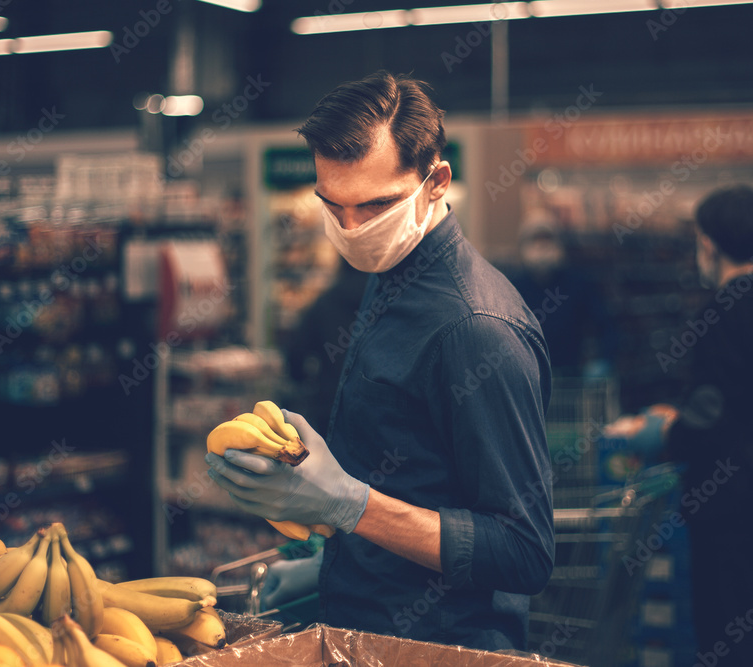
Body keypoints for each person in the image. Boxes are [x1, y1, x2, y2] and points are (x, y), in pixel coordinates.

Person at [206, 71, 555, 651]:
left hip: (438, 650)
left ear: (437, 181)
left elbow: (524, 551)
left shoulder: (477, 330)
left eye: (376, 206)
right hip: (364, 631)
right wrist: (333, 555)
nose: (352, 230)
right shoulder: (390, 273)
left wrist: (350, 505)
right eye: (333, 206)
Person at [605, 185, 753, 667]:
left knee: (729, 635)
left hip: (734, 511)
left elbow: (712, 424)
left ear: (710, 245)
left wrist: (655, 433)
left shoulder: (726, 310)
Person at [506, 212, 618, 378]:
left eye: (547, 239)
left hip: (570, 379)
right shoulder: (512, 288)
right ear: (523, 246)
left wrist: (604, 360)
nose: (541, 246)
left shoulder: (577, 284)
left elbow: (607, 325)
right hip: (528, 380)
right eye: (535, 240)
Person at [284, 258, 370, 434]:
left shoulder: (326, 302)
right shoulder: (390, 302)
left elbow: (297, 352)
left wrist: (301, 379)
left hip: (330, 403)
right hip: (376, 405)